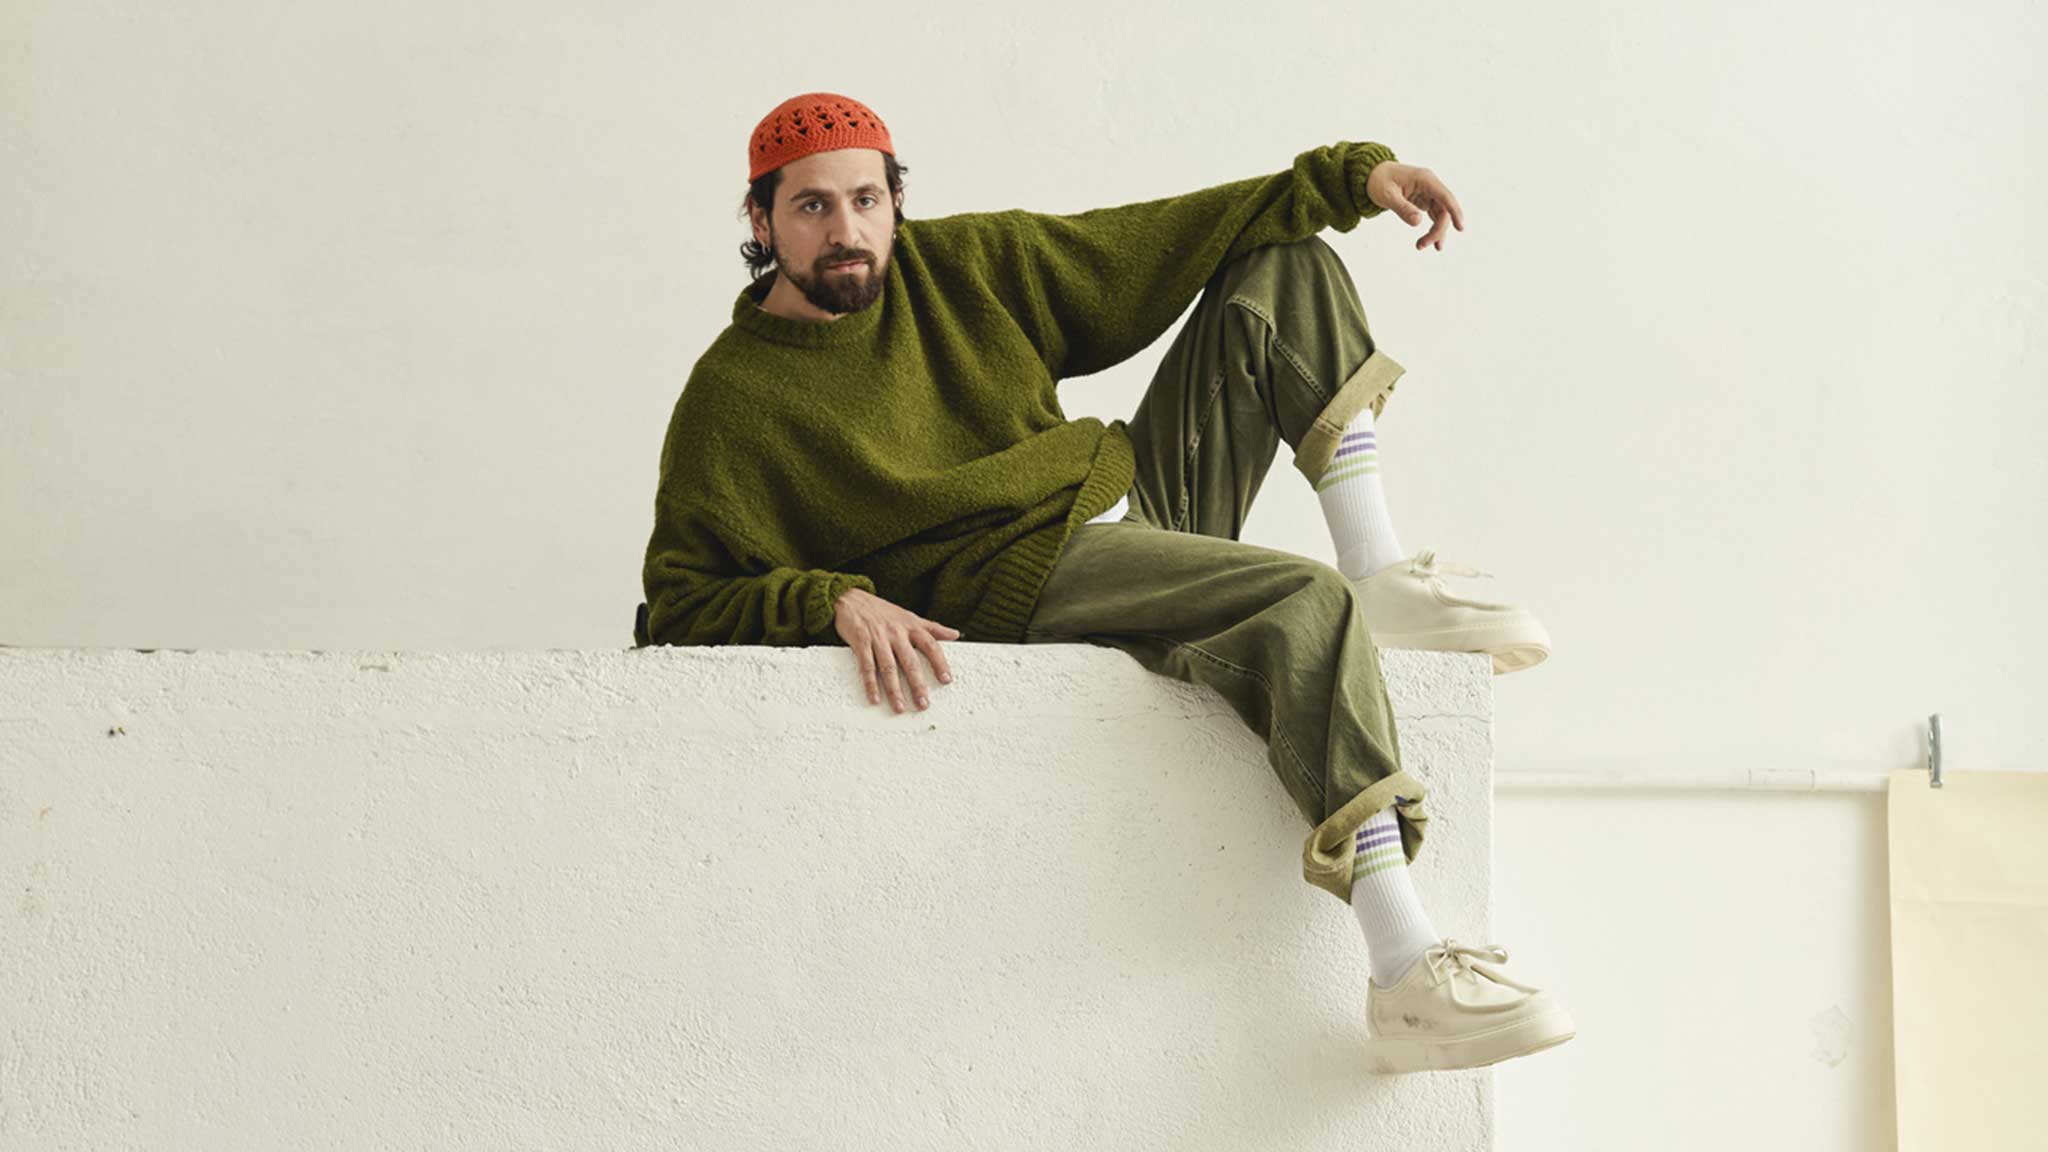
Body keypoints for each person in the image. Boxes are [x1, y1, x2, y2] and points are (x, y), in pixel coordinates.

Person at [634, 91, 1574, 1073]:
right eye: (812, 206)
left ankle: (1375, 566)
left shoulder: (958, 267)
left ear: (895, 201)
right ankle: (1405, 969)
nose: (846, 231)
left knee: (1284, 266)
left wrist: (1348, 179)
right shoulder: (733, 396)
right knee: (1301, 601)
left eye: (866, 200)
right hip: (1021, 577)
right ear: (761, 221)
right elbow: (683, 599)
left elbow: (1158, 241)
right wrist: (828, 598)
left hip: (1127, 511)